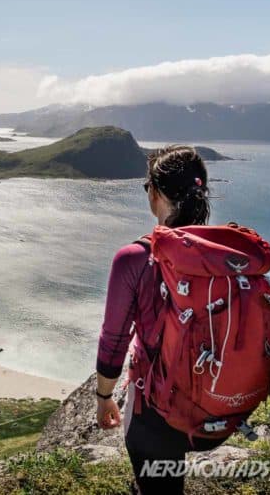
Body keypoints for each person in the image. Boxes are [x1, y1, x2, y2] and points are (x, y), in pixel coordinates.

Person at [94, 145, 228, 494]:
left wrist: (103, 396)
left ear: (154, 193)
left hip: (154, 408)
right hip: (211, 399)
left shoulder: (133, 260)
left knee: (157, 486)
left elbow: (114, 341)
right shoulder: (223, 257)